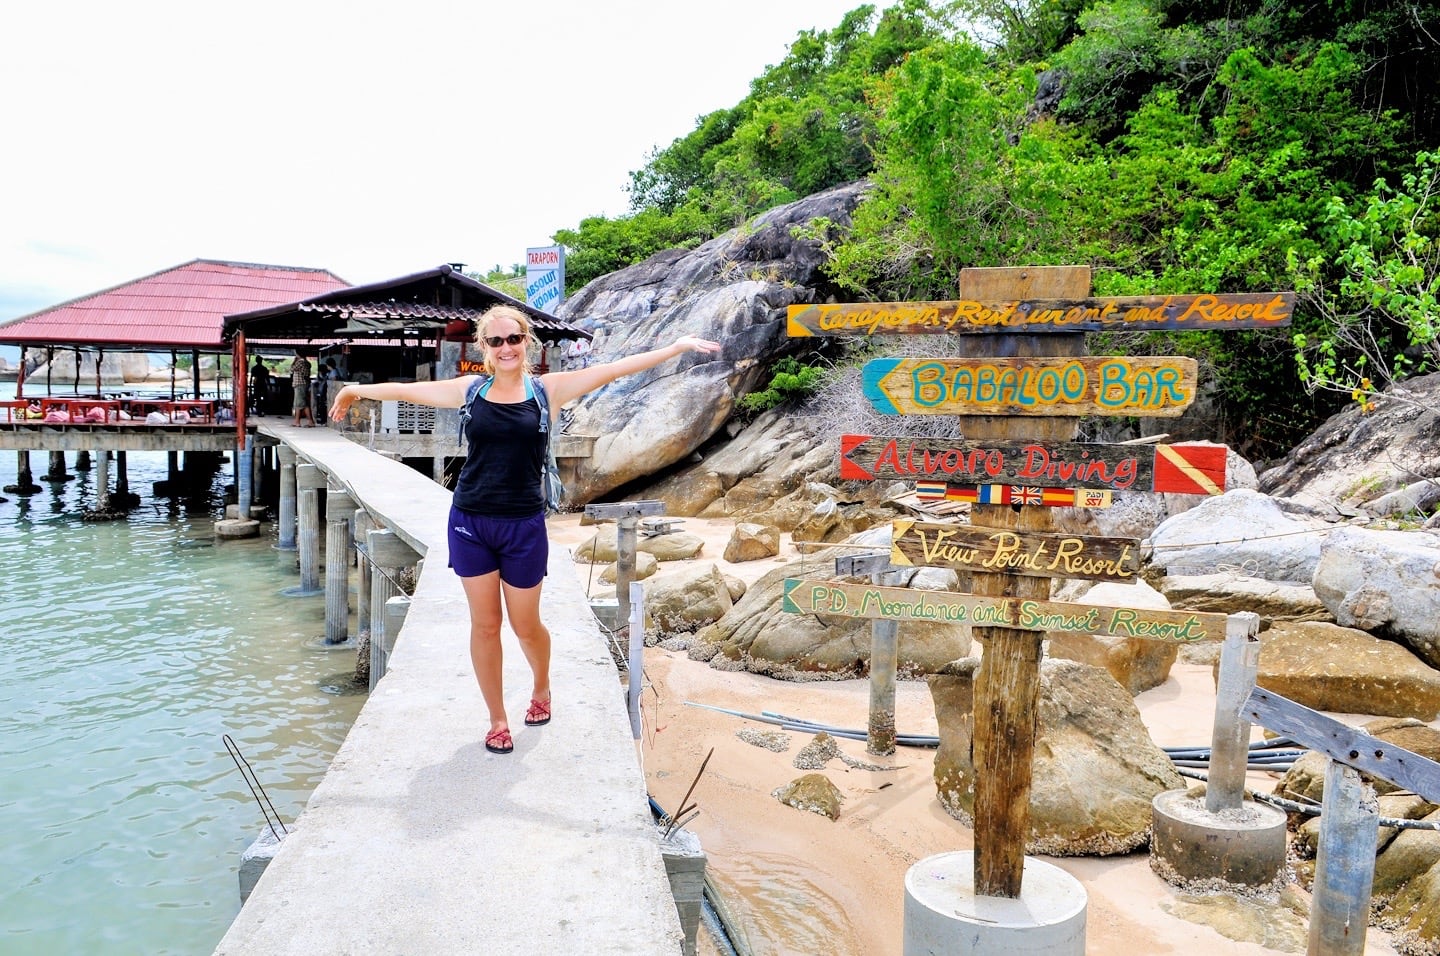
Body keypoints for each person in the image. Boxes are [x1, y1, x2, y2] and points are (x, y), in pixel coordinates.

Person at [329, 305, 720, 755]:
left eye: (513, 339)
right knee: (485, 625)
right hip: (471, 521)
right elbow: (410, 390)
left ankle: (541, 687)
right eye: (495, 341)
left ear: (526, 341)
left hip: (523, 525)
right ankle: (497, 719)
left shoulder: (546, 391)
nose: (505, 348)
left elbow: (612, 370)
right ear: (485, 348)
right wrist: (357, 389)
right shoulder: (470, 391)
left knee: (526, 624)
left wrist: (674, 347)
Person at [290, 351, 314, 426]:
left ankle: (308, 421)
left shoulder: (300, 362)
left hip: (299, 384)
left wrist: (294, 360)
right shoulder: (306, 362)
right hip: (303, 384)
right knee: (301, 403)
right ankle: (298, 421)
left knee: (300, 404)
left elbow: (292, 369)